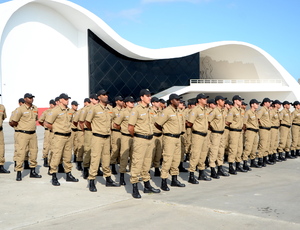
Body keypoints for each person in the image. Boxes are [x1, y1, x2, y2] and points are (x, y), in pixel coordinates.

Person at [129, 89, 160, 199]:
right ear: (142, 97)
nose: (149, 97)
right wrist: (137, 137)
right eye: (147, 96)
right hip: (140, 139)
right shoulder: (136, 109)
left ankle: (147, 186)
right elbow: (130, 127)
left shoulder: (150, 109)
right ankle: (135, 187)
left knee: (147, 163)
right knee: (137, 163)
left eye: (150, 95)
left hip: (149, 139)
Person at [85, 89, 118, 192]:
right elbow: (87, 122)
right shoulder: (94, 109)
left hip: (107, 137)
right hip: (97, 137)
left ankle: (108, 179)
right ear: (98, 97)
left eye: (106, 94)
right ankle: (91, 180)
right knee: (95, 158)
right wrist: (95, 129)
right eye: (103, 95)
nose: (106, 96)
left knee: (106, 158)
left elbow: (113, 120)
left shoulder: (110, 108)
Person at [44, 93, 79, 186]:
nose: (67, 100)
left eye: (68, 99)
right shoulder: (56, 110)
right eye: (66, 99)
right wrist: (56, 129)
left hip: (68, 136)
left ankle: (68, 174)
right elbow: (47, 123)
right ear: (60, 100)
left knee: (67, 156)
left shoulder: (68, 110)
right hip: (59, 137)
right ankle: (54, 175)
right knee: (56, 156)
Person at [155, 93, 186, 190]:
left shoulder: (178, 111)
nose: (178, 101)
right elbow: (157, 124)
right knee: (167, 159)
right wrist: (166, 131)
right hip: (169, 138)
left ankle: (174, 179)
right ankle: (164, 181)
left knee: (176, 160)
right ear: (171, 101)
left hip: (177, 138)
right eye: (176, 100)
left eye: (179, 100)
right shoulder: (167, 111)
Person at [10, 93, 42, 181]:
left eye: (32, 98)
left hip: (33, 134)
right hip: (23, 134)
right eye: (29, 98)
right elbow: (13, 122)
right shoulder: (20, 109)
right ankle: (19, 172)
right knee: (21, 153)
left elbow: (35, 120)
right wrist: (21, 128)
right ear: (25, 99)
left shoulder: (35, 108)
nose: (31, 99)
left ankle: (33, 171)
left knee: (34, 152)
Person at [186, 93, 211, 183]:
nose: (206, 100)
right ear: (199, 100)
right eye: (204, 98)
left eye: (206, 98)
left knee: (203, 155)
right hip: (197, 135)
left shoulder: (205, 110)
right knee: (195, 155)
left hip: (205, 135)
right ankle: (191, 175)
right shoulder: (195, 110)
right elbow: (190, 123)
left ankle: (201, 173)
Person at [114, 96, 135, 185]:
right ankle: (122, 177)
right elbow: (116, 124)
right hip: (125, 136)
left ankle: (133, 176)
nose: (132, 103)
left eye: (133, 102)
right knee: (124, 157)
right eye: (130, 102)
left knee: (134, 157)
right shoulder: (123, 112)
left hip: (134, 137)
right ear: (126, 103)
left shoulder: (135, 111)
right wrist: (123, 129)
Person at [207, 95, 229, 178]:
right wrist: (212, 128)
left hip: (222, 133)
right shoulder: (214, 111)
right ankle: (213, 169)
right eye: (222, 100)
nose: (223, 102)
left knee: (221, 151)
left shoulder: (222, 111)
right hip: (215, 133)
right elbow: (208, 121)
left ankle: (220, 168)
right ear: (217, 102)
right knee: (214, 151)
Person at [79, 94, 100, 179]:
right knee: (88, 150)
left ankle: (96, 168)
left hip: (98, 132)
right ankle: (86, 168)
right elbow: (81, 122)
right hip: (89, 131)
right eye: (95, 99)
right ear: (91, 99)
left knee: (97, 151)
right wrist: (85, 130)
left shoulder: (100, 108)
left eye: (97, 99)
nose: (96, 100)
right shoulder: (86, 109)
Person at [226, 95, 246, 174]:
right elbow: (228, 122)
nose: (241, 102)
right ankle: (231, 166)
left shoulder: (240, 110)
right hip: (234, 131)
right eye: (240, 100)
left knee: (239, 149)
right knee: (233, 149)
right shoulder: (232, 110)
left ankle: (238, 165)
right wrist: (233, 127)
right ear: (235, 101)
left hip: (239, 131)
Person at [242, 99, 261, 169]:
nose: (257, 105)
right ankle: (245, 162)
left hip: (255, 131)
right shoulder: (248, 112)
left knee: (254, 147)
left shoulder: (255, 112)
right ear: (252, 104)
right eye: (256, 103)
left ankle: (252, 161)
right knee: (248, 147)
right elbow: (244, 123)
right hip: (250, 131)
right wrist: (245, 131)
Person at [72, 98, 90, 171]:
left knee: (88, 147)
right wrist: (82, 129)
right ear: (85, 103)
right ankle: (79, 162)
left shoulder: (91, 110)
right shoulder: (80, 111)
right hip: (81, 131)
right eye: (88, 102)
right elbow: (75, 121)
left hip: (89, 132)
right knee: (81, 147)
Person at [38, 99, 56, 167]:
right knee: (47, 145)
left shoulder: (55, 111)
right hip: (48, 131)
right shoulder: (46, 112)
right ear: (50, 104)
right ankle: (45, 158)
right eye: (53, 104)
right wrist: (45, 126)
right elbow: (40, 120)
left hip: (54, 130)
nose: (54, 106)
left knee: (53, 145)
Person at [257, 98, 273, 167]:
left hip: (268, 129)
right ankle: (260, 159)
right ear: (265, 103)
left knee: (267, 145)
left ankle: (264, 159)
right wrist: (261, 124)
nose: (270, 103)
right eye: (269, 102)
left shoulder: (268, 110)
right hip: (263, 129)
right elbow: (257, 118)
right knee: (262, 145)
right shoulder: (262, 110)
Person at [110, 96, 124, 175]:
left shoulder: (124, 110)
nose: (122, 102)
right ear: (116, 101)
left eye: (122, 100)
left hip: (123, 132)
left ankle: (121, 166)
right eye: (120, 100)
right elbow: (110, 121)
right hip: (115, 132)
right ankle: (113, 166)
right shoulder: (113, 110)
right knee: (115, 149)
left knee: (122, 150)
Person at [149, 96, 163, 177]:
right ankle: (147, 170)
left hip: (160, 135)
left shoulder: (160, 112)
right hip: (153, 135)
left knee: (158, 153)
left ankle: (157, 168)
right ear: (153, 103)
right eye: (157, 102)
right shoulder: (149, 111)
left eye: (159, 102)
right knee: (151, 154)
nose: (158, 103)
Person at [0, 95, 9, 174]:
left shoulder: (2, 107)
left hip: (0, 131)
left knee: (1, 148)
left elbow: (3, 117)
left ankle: (1, 166)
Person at [70, 101, 79, 165]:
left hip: (77, 130)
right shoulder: (69, 112)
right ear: (72, 105)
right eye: (75, 105)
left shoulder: (77, 112)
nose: (76, 107)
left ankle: (76, 157)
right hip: (71, 130)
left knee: (76, 145)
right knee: (69, 145)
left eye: (77, 105)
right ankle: (68, 158)